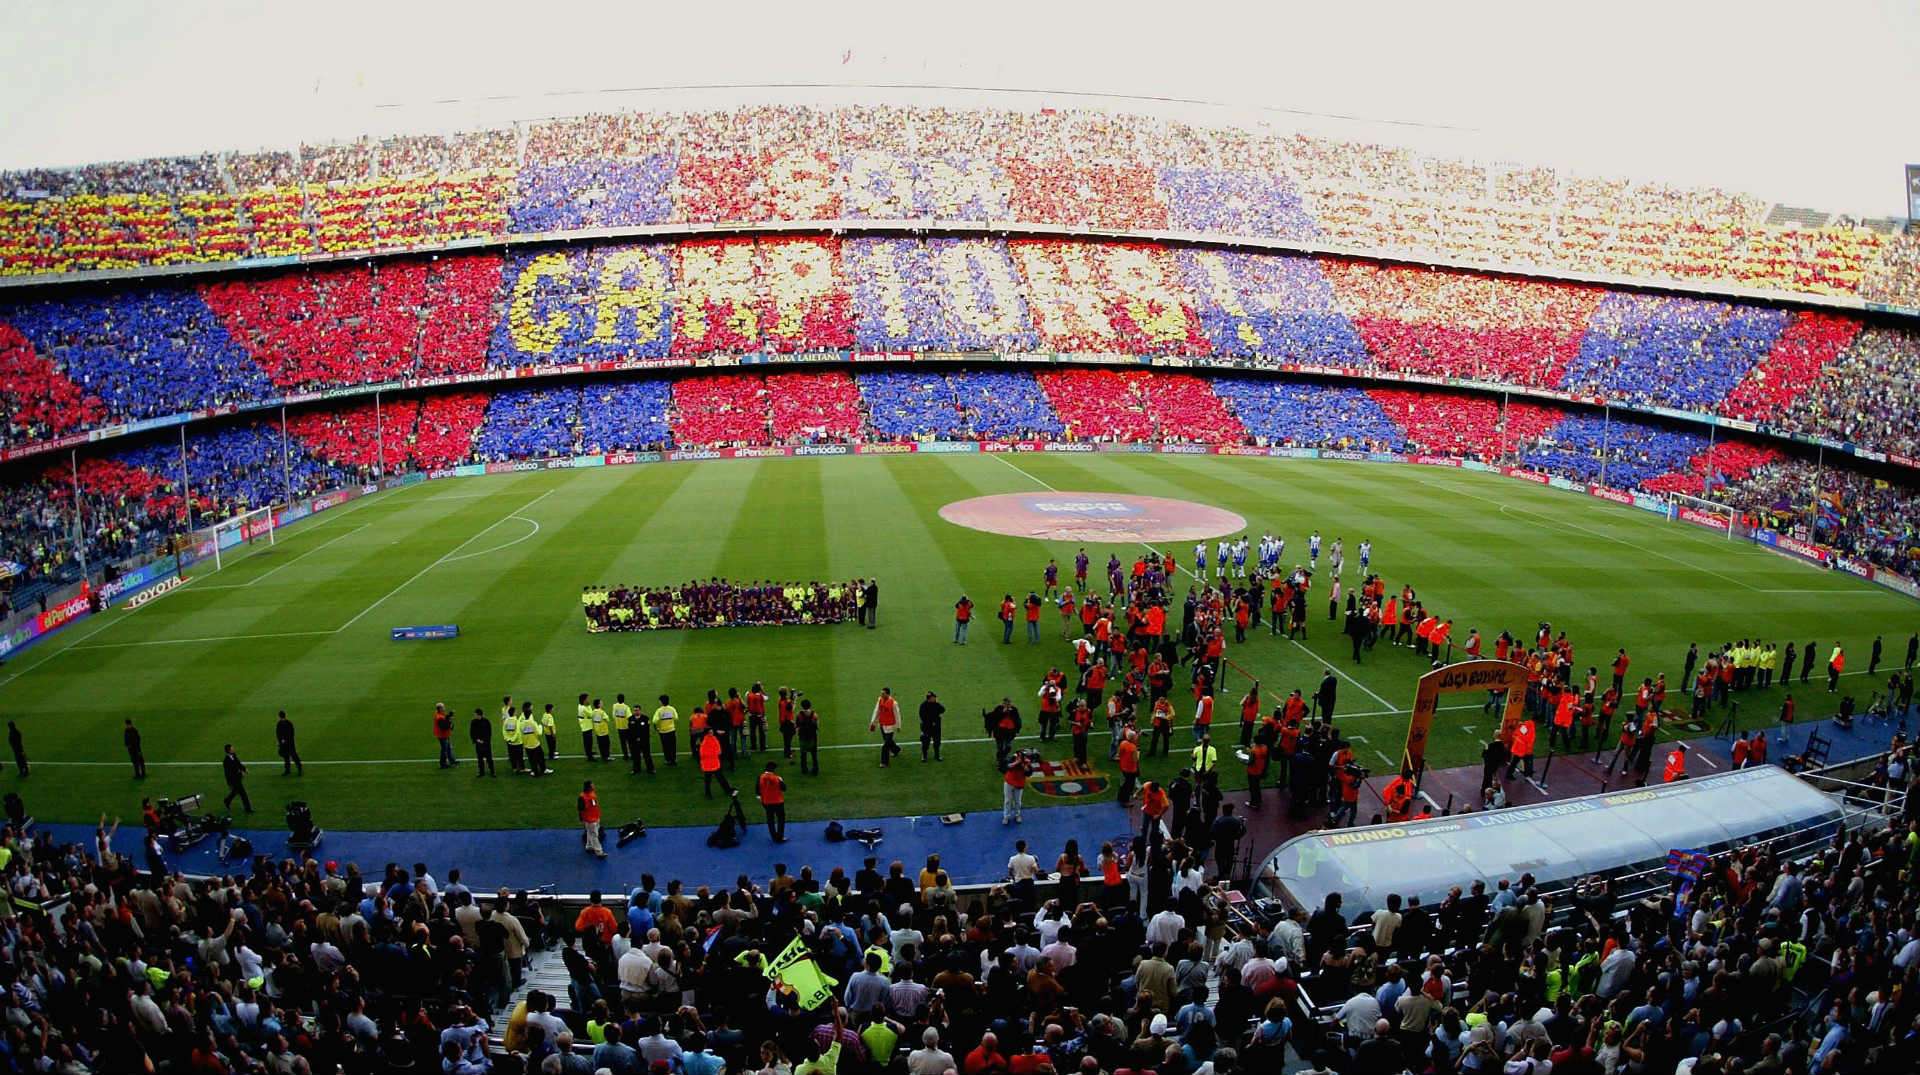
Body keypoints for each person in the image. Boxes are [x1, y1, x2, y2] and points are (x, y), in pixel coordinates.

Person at [870, 688, 904, 767]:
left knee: (885, 745)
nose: (881, 695)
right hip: (882, 724)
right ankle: (896, 750)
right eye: (881, 693)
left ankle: (884, 762)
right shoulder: (880, 700)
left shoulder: (894, 703)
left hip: (890, 727)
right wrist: (873, 723)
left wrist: (898, 726)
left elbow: (897, 715)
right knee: (888, 741)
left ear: (888, 694)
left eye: (883, 693)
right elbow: (876, 711)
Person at [758, 762, 787, 842]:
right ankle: (780, 836)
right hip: (778, 801)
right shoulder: (777, 778)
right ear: (773, 769)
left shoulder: (760, 777)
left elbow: (758, 790)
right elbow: (784, 788)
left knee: (770, 819)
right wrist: (781, 780)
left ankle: (774, 837)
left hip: (766, 802)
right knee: (781, 819)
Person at [700, 727, 730, 798]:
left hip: (712, 763)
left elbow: (718, 750)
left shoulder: (713, 739)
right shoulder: (705, 741)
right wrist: (714, 753)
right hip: (709, 764)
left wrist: (714, 753)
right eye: (710, 732)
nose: (712, 733)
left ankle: (727, 790)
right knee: (712, 780)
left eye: (712, 732)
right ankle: (726, 790)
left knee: (717, 779)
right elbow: (704, 753)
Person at [579, 781, 606, 858]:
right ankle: (599, 852)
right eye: (592, 785)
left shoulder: (592, 793)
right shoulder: (582, 797)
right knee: (594, 835)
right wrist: (582, 819)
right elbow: (580, 809)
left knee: (589, 832)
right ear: (588, 787)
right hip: (589, 819)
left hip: (595, 817)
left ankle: (589, 846)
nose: (594, 786)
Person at [221, 744, 252, 813]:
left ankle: (227, 800)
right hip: (233, 780)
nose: (233, 749)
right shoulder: (226, 761)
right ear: (229, 750)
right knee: (243, 794)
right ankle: (248, 809)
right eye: (232, 748)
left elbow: (238, 763)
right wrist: (241, 773)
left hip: (237, 778)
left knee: (235, 791)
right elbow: (230, 773)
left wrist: (244, 769)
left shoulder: (233, 755)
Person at [272, 710, 302, 776]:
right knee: (293, 756)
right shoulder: (289, 723)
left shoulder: (279, 724)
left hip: (285, 743)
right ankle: (298, 768)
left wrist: (281, 741)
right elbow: (292, 733)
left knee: (287, 756)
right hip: (290, 742)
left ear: (279, 716)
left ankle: (288, 770)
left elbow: (278, 734)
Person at [1002, 752, 1029, 824]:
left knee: (1018, 801)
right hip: (1009, 782)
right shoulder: (1013, 758)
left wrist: (1024, 765)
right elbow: (1007, 766)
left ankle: (1017, 815)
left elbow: (1029, 773)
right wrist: (1016, 762)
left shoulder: (1026, 762)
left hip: (1019, 783)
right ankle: (1006, 816)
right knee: (1007, 801)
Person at [797, 698, 821, 774]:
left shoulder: (799, 715)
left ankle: (804, 769)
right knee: (814, 754)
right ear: (810, 705)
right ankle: (815, 769)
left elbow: (797, 726)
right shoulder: (814, 714)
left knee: (803, 754)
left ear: (802, 706)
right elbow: (817, 726)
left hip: (803, 736)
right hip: (812, 736)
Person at [918, 691, 944, 762]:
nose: (935, 698)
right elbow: (922, 717)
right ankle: (924, 756)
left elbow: (943, 709)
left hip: (936, 727)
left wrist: (937, 703)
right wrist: (931, 722)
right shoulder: (923, 705)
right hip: (927, 727)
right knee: (925, 742)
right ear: (930, 698)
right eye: (934, 697)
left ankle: (937, 755)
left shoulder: (936, 704)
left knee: (937, 742)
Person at [469, 707, 496, 777]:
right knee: (480, 759)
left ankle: (492, 772)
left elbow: (489, 732)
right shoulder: (473, 722)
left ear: (479, 715)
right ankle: (481, 772)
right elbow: (472, 733)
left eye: (475, 714)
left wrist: (484, 741)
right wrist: (476, 740)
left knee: (489, 758)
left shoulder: (486, 721)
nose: (474, 716)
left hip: (486, 744)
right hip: (478, 744)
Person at [653, 695, 677, 767]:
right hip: (671, 730)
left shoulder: (659, 710)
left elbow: (654, 721)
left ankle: (668, 760)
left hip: (663, 732)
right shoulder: (672, 709)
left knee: (665, 746)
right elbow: (676, 718)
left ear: (661, 702)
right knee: (673, 746)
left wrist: (656, 728)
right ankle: (673, 759)